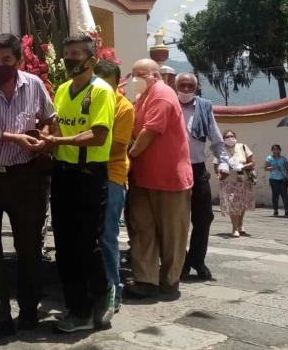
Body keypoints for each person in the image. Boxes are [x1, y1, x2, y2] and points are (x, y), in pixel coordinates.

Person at [0, 33, 55, 342]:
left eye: (6, 60)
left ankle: (29, 311)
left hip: (26, 177)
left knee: (29, 248)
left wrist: (41, 135)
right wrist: (14, 137)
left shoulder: (33, 84)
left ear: (18, 59)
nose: (0, 65)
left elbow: (50, 118)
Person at [41, 34, 115, 332]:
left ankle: (103, 292)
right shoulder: (61, 89)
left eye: (76, 54)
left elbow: (98, 134)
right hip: (62, 173)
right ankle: (78, 309)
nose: (70, 58)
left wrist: (59, 139)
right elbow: (54, 121)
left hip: (89, 174)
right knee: (64, 245)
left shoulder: (101, 92)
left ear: (91, 59)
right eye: (67, 53)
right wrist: (45, 135)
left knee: (87, 243)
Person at [124, 59, 192, 300]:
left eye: (140, 74)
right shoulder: (141, 98)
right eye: (132, 74)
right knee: (141, 229)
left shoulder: (162, 94)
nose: (135, 78)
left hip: (169, 179)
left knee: (172, 232)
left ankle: (170, 280)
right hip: (142, 178)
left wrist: (128, 154)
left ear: (156, 75)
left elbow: (148, 133)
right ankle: (145, 280)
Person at [175, 73, 229, 281]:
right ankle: (181, 260)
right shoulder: (169, 104)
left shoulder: (205, 107)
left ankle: (197, 260)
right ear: (175, 86)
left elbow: (216, 140)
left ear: (196, 88)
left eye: (190, 85)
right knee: (176, 219)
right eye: (183, 85)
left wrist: (223, 162)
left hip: (197, 168)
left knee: (204, 217)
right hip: (173, 169)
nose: (186, 89)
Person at [93, 59, 134, 311]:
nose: (103, 91)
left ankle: (113, 289)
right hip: (85, 173)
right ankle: (95, 287)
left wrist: (78, 146)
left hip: (111, 176)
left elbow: (118, 147)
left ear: (117, 84)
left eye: (107, 86)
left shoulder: (124, 108)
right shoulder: (91, 101)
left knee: (107, 235)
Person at [220, 130, 256, 236]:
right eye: (227, 136)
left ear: (235, 137)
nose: (230, 138)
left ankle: (240, 224)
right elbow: (216, 164)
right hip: (229, 181)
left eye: (231, 136)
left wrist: (242, 166)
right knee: (232, 204)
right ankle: (234, 227)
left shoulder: (243, 147)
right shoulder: (222, 149)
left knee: (242, 204)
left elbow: (252, 162)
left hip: (243, 180)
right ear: (223, 139)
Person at [265, 145, 288, 217]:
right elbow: (266, 168)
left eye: (277, 149)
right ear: (272, 150)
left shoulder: (283, 158)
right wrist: (274, 167)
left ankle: (287, 211)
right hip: (273, 179)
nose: (275, 151)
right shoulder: (269, 158)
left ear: (280, 150)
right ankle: (275, 210)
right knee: (275, 196)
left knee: (284, 195)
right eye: (274, 149)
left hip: (283, 179)